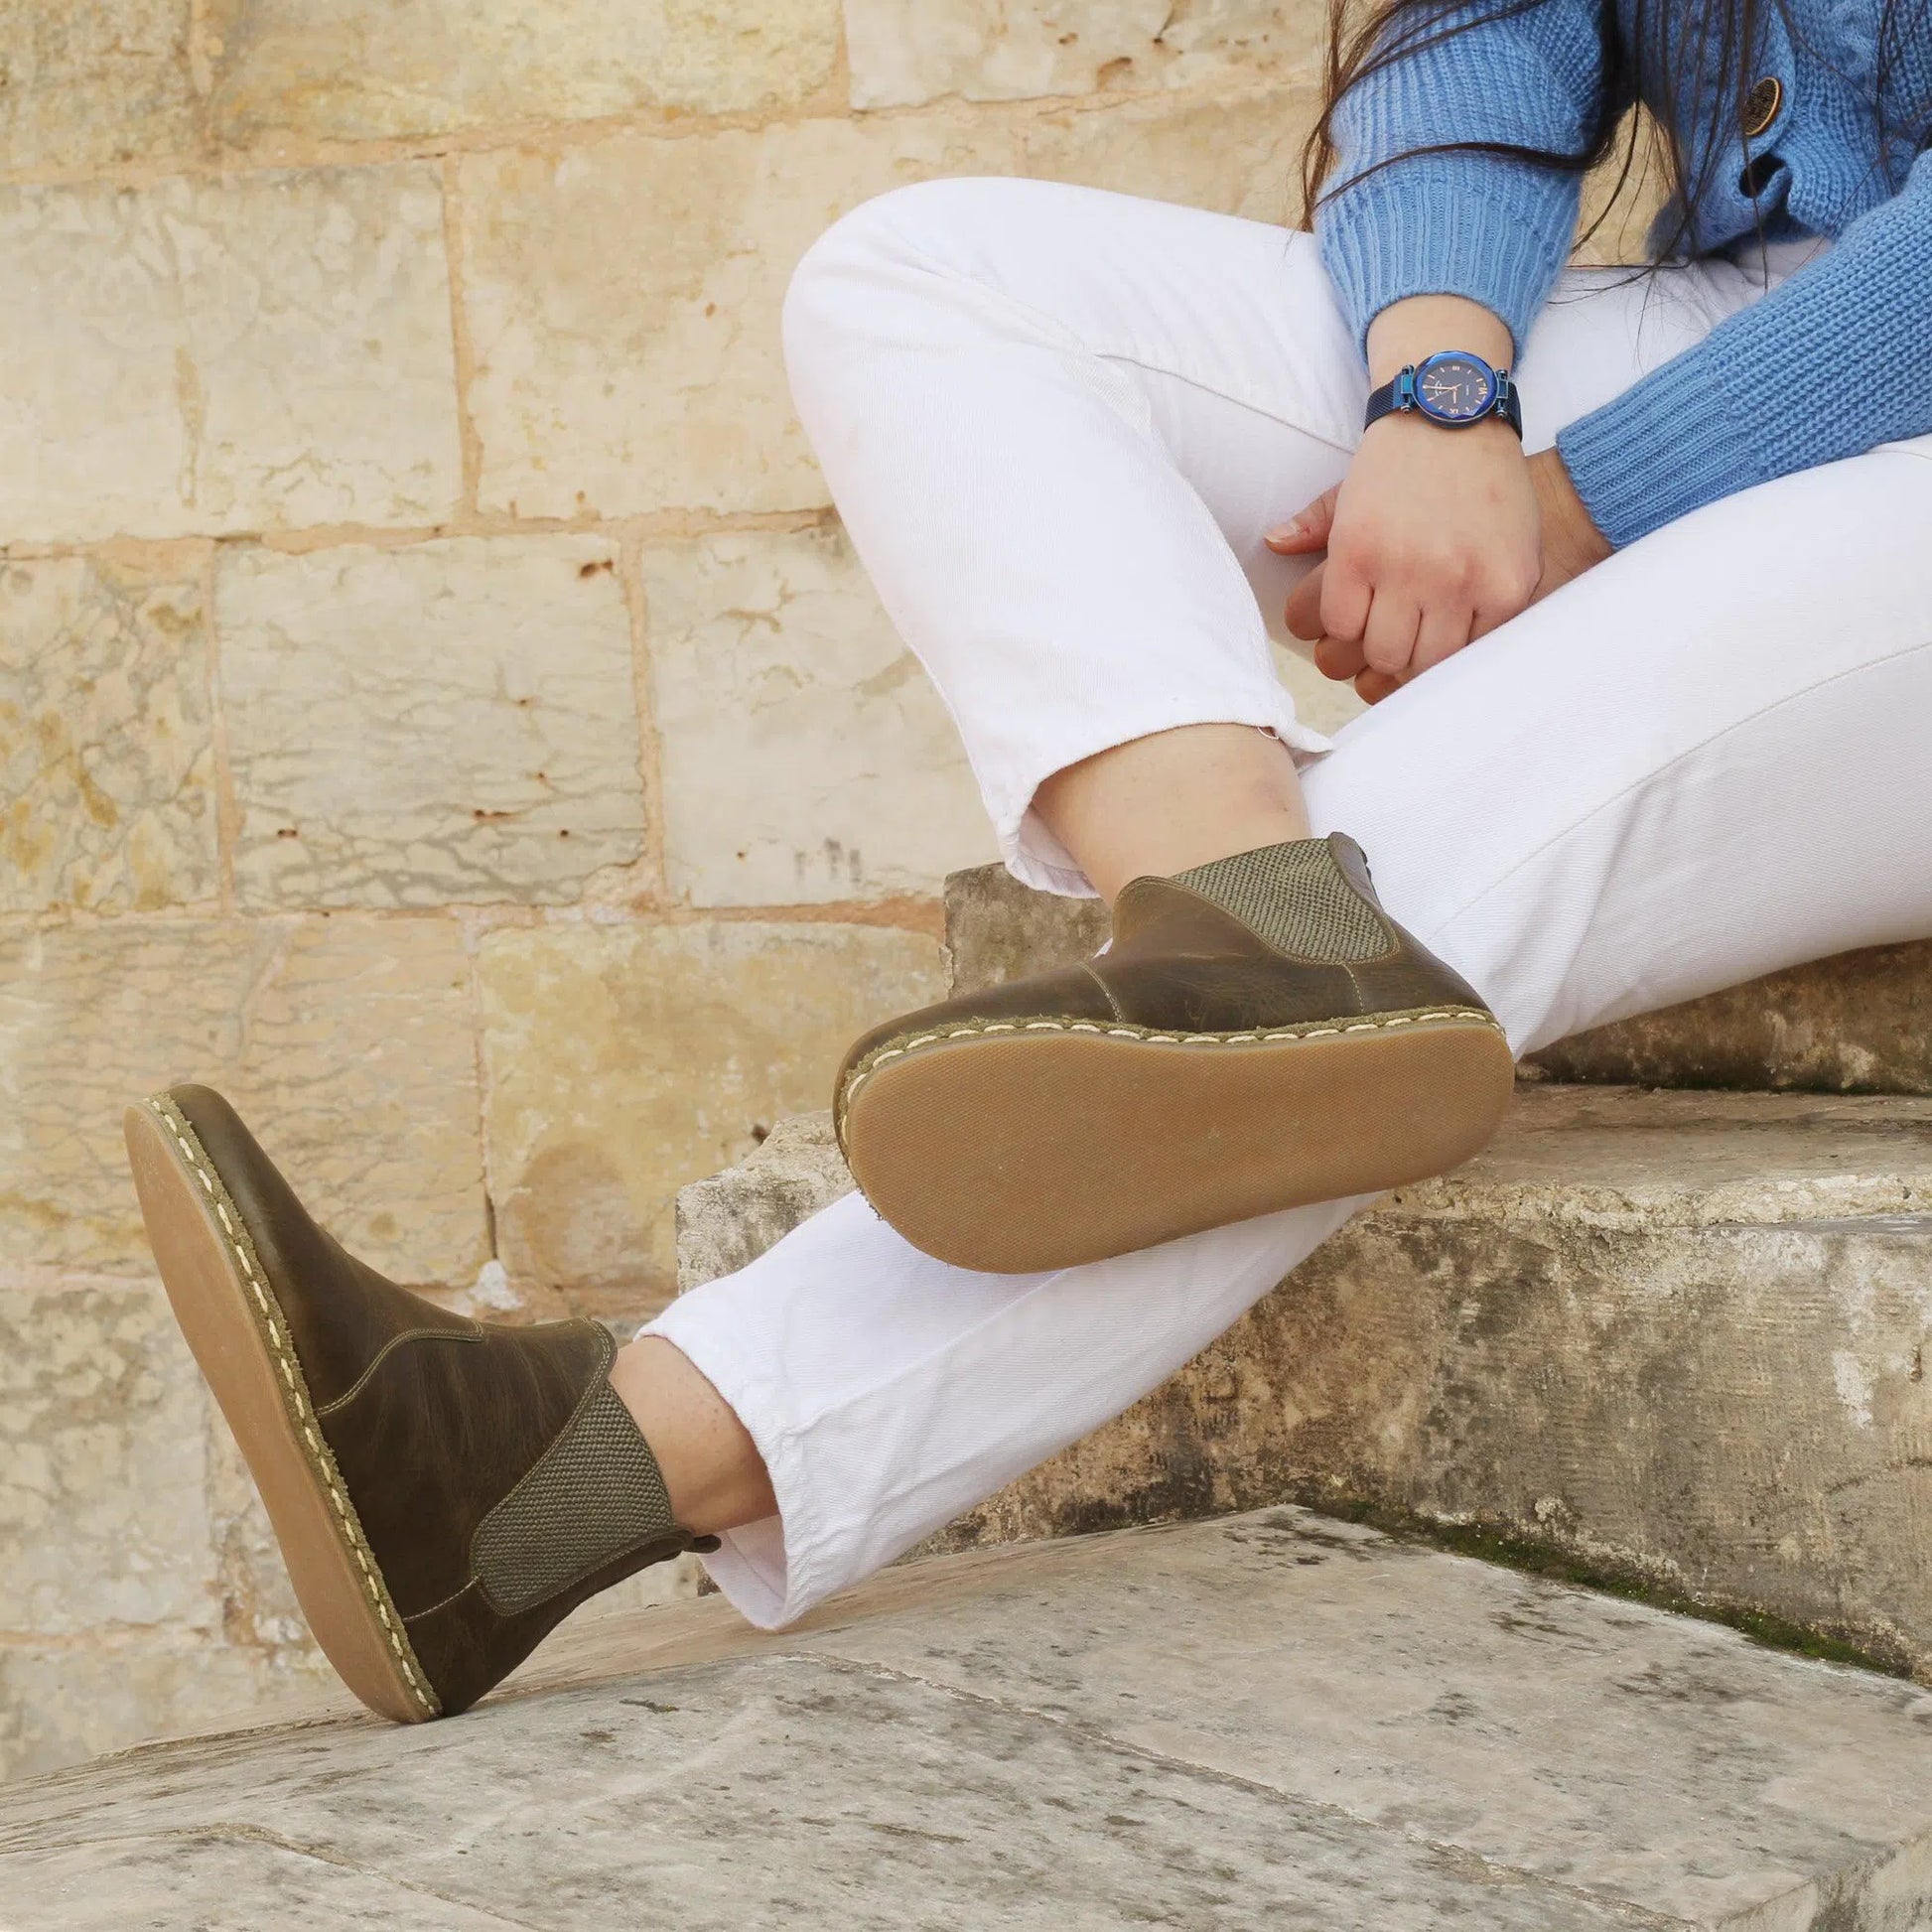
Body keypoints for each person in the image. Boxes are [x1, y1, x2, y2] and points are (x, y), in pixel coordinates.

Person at [126, 0, 1932, 1722]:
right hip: (1748, 305)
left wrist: (1577, 497)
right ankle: (1266, 925)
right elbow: (1486, 40)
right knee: (923, 284)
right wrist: (1438, 400)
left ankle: (585, 1465)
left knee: (1491, 793)